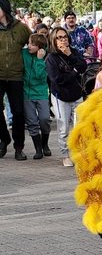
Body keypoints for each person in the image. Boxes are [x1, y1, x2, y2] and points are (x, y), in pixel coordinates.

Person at [46, 27, 86, 166]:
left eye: (65, 36)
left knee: (79, 127)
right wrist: (75, 72)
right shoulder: (51, 58)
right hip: (60, 96)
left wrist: (70, 55)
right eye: (59, 37)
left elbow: (83, 66)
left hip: (76, 94)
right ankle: (65, 155)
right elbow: (57, 79)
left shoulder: (73, 52)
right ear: (53, 40)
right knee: (63, 128)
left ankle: (78, 153)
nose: (63, 39)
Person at [0, 0, 29, 160]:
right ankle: (4, 138)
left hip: (16, 75)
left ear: (4, 9)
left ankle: (19, 147)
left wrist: (39, 49)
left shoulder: (20, 28)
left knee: (18, 112)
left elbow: (37, 40)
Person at [22, 30, 51, 159]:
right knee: (32, 122)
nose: (29, 46)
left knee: (44, 119)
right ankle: (38, 149)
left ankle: (45, 144)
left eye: (32, 44)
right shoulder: (23, 54)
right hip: (27, 93)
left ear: (40, 47)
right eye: (29, 43)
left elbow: (40, 77)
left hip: (41, 93)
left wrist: (40, 60)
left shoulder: (45, 58)